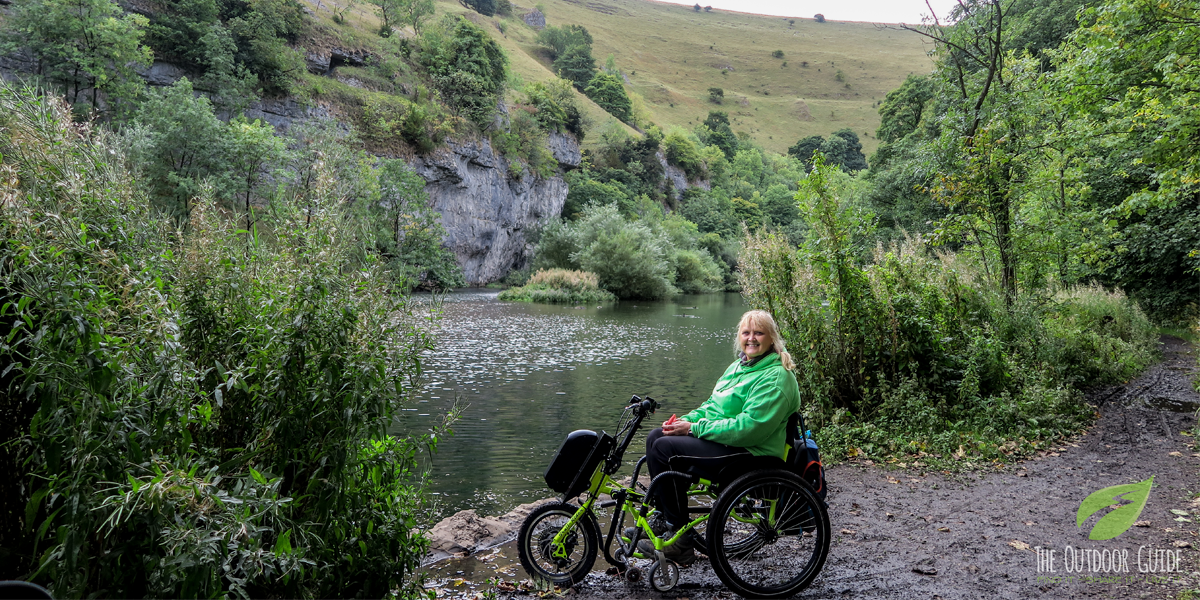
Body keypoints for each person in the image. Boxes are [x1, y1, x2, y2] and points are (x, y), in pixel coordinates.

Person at [635, 309, 800, 565]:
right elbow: (712, 406)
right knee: (658, 436)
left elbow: (750, 428)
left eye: (759, 333)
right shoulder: (740, 365)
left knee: (664, 449)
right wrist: (684, 421)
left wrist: (694, 428)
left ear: (772, 339)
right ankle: (666, 518)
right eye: (746, 332)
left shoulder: (776, 377)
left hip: (754, 453)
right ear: (739, 337)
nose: (751, 338)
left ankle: (680, 542)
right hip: (730, 442)